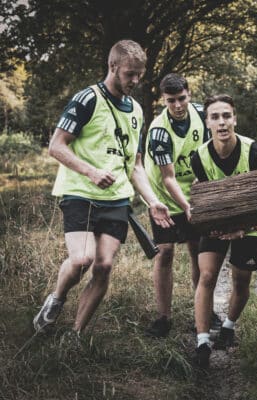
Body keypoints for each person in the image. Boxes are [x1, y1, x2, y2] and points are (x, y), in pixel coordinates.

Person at [32, 40, 173, 335]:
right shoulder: (88, 99)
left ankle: (77, 334)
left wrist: (151, 201)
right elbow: (56, 146)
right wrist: (91, 171)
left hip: (117, 200)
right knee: (82, 259)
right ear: (113, 67)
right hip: (80, 194)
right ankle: (57, 299)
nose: (135, 81)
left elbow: (135, 165)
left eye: (139, 75)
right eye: (129, 74)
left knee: (104, 266)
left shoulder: (136, 110)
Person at [190, 94, 257, 369]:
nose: (221, 122)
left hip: (249, 221)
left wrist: (244, 229)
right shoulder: (198, 157)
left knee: (241, 281)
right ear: (207, 122)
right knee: (207, 274)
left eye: (226, 116)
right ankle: (201, 343)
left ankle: (228, 326)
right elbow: (203, 196)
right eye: (215, 117)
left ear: (234, 118)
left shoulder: (254, 152)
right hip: (218, 221)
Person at [143, 73, 222, 337]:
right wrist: (186, 206)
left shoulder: (201, 113)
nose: (178, 106)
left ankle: (204, 311)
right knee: (165, 252)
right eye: (171, 101)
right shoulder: (158, 131)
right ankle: (163, 317)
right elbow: (168, 178)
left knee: (198, 251)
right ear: (163, 100)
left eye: (182, 99)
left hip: (194, 191)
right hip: (165, 197)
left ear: (189, 94)